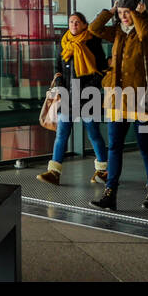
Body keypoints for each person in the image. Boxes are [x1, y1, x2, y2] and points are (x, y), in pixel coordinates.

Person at [86, 0, 148, 211]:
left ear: (136, 11)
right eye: (120, 14)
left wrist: (140, 17)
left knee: (146, 145)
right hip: (116, 96)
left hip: (142, 96)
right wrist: (109, 12)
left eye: (126, 13)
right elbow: (93, 29)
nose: (123, 18)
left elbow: (145, 35)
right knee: (114, 147)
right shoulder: (117, 31)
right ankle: (110, 194)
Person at [36, 11, 109, 186]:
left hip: (87, 96)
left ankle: (103, 170)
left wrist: (86, 88)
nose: (73, 25)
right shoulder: (64, 43)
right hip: (68, 95)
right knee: (61, 134)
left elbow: (101, 71)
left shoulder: (92, 43)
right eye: (71, 22)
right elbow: (57, 66)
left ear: (84, 25)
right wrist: (60, 84)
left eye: (77, 22)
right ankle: (54, 172)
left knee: (93, 134)